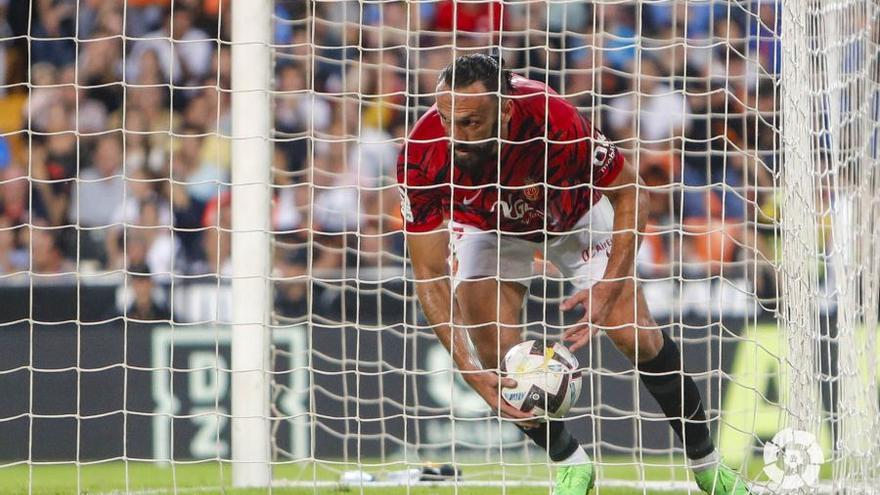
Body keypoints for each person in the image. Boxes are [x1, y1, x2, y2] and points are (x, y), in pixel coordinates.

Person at [396, 53, 751, 495]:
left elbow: (632, 194)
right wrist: (468, 369)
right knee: (494, 352)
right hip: (487, 226)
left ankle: (707, 465)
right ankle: (571, 464)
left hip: (575, 216)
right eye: (448, 119)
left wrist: (608, 285)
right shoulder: (422, 153)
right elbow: (428, 273)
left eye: (470, 123)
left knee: (636, 336)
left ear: (504, 109)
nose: (456, 136)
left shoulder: (554, 120)